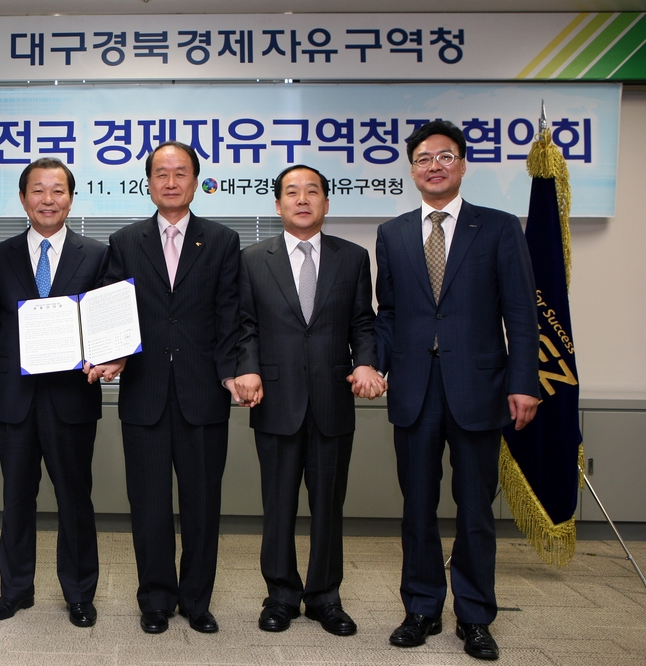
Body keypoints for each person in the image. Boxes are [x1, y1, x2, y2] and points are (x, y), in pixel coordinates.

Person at [375, 120, 539, 661]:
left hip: (480, 389)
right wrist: (372, 364)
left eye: (445, 156)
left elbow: (521, 311)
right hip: (414, 392)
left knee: (475, 511)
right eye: (424, 158)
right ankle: (421, 609)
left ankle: (474, 616)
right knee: (417, 509)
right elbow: (389, 314)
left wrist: (524, 382)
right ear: (412, 170)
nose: (435, 166)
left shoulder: (498, 227)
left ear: (463, 164)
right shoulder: (392, 233)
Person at [87, 141, 240, 635]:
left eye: (180, 173)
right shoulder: (125, 241)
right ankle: (155, 600)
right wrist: (112, 354)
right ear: (148, 183)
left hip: (203, 393)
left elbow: (230, 315)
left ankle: (197, 601)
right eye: (161, 173)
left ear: (195, 180)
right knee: (149, 506)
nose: (170, 182)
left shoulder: (222, 240)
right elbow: (113, 308)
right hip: (145, 392)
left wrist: (233, 372)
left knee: (202, 506)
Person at [234, 165, 385, 635]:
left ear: (326, 202)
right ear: (278, 204)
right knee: (278, 506)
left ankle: (324, 597)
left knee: (328, 507)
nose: (302, 199)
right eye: (292, 192)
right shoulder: (252, 258)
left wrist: (367, 362)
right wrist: (247, 367)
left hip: (332, 399)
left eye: (312, 191)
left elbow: (363, 322)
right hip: (275, 399)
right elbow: (244, 325)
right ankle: (280, 595)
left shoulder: (352, 257)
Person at [0, 158, 109, 628]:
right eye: (37, 190)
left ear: (70, 198)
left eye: (57, 190)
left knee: (75, 499)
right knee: (16, 498)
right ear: (22, 198)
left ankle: (79, 593)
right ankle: (15, 590)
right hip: (16, 396)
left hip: (73, 396)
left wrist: (108, 354)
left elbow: (104, 319)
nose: (47, 199)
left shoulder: (97, 254)